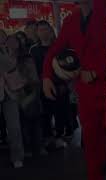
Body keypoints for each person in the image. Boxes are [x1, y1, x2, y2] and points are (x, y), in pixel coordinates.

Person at [42, 0, 106, 179]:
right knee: (90, 136)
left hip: (105, 85)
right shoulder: (71, 20)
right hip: (85, 91)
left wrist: (96, 71)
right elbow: (55, 49)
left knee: (105, 134)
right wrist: (47, 76)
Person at [30, 20, 67, 149]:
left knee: (60, 112)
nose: (43, 32)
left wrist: (63, 83)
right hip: (42, 85)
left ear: (50, 31)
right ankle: (48, 137)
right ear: (37, 32)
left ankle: (59, 136)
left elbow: (64, 67)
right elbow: (33, 69)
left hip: (59, 84)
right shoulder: (34, 50)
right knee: (45, 113)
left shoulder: (58, 48)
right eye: (40, 30)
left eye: (45, 29)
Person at [1, 34, 26, 168]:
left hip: (10, 92)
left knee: (14, 127)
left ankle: (17, 156)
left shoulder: (9, 51)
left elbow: (12, 66)